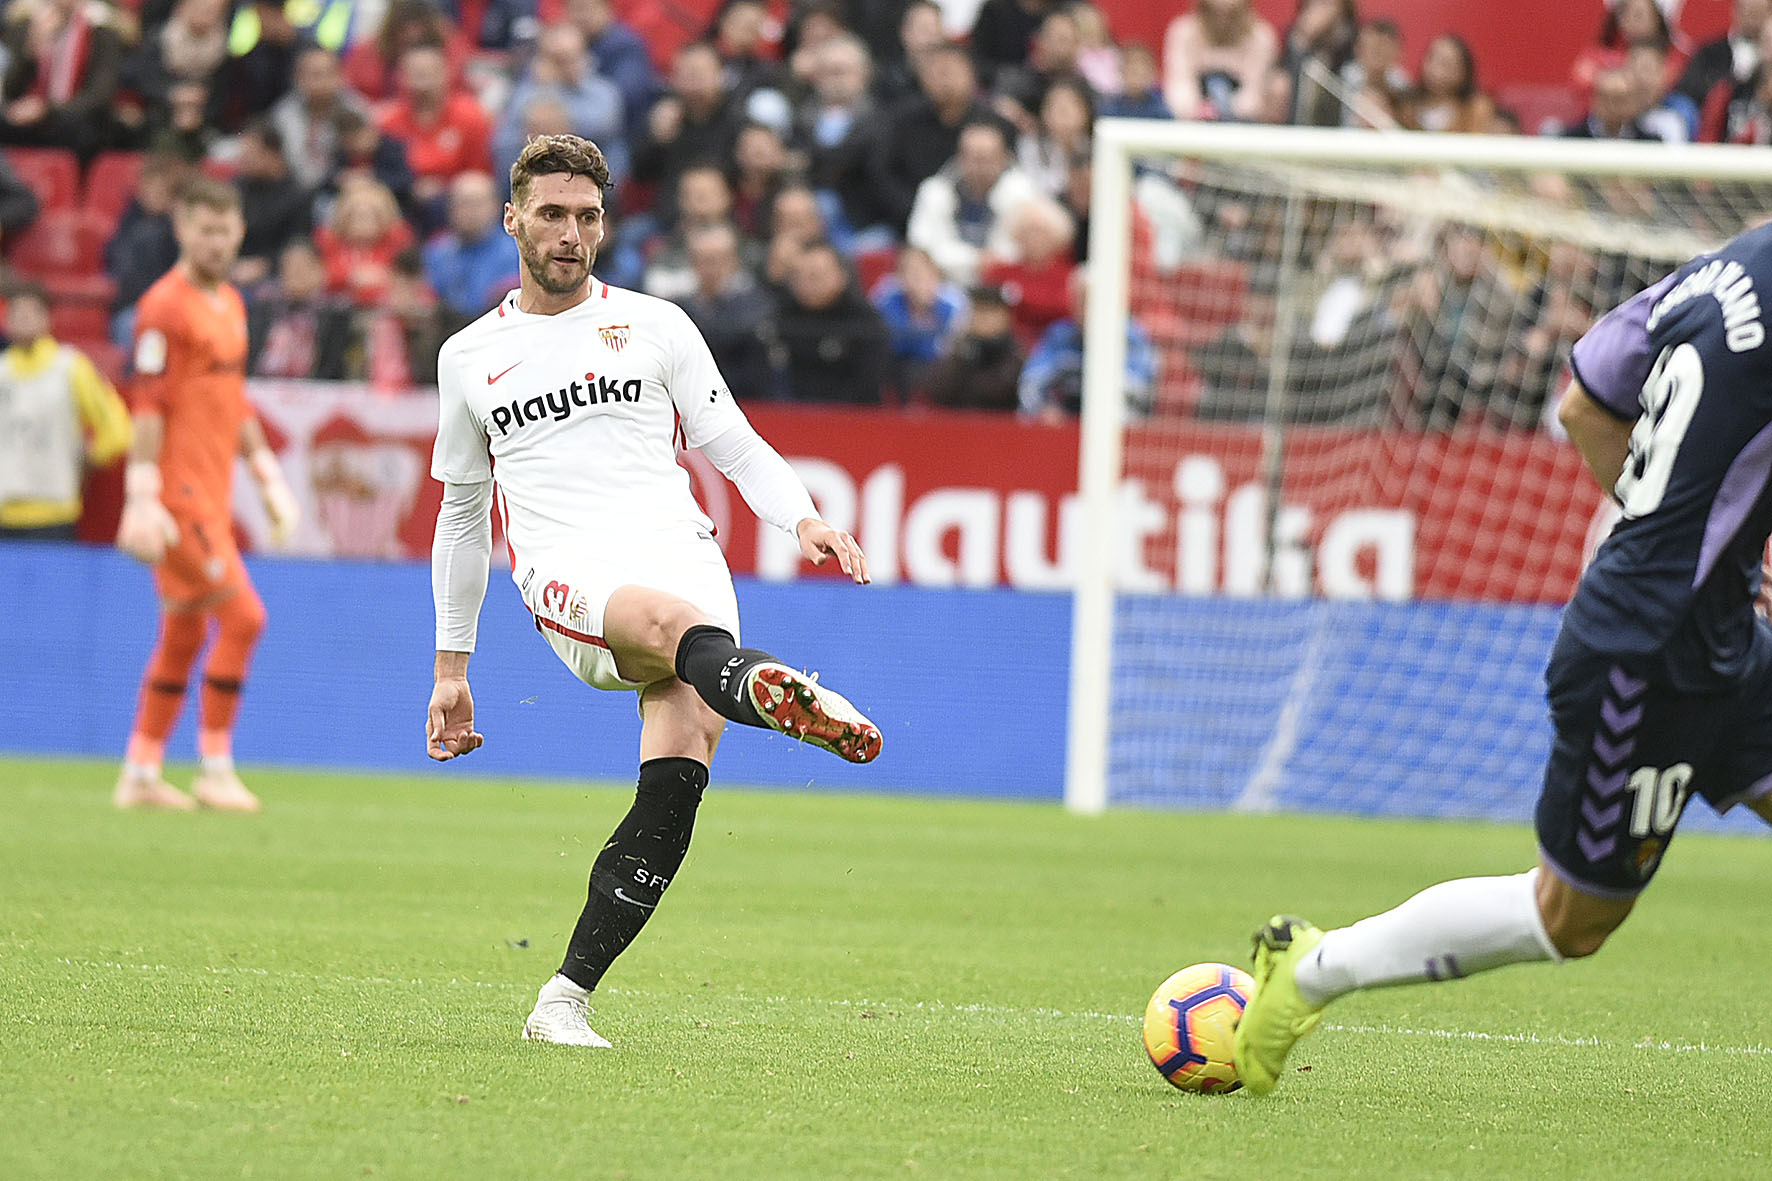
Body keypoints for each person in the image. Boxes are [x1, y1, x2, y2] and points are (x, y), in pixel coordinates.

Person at [1232, 219, 1772, 1096]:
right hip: (1645, 654)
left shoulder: (1728, 267)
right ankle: (1312, 968)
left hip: (1703, 623)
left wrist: (1679, 539)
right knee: (1571, 918)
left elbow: (1584, 406)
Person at [425, 135, 882, 1048]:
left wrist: (804, 520)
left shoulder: (658, 324)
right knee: (673, 628)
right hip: (567, 568)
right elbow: (463, 518)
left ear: (605, 225)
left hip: (679, 544)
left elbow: (735, 443)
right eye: (551, 214)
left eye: (587, 216)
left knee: (676, 774)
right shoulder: (470, 357)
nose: (570, 232)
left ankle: (564, 997)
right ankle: (778, 694)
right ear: (513, 220)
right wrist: (451, 669)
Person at [114, 176, 301, 813]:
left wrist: (268, 477)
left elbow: (232, 398)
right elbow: (147, 407)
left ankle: (140, 772)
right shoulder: (164, 308)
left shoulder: (230, 302)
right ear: (182, 229)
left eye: (225, 230)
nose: (215, 241)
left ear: (240, 232)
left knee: (184, 634)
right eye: (204, 229)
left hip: (213, 492)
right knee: (246, 618)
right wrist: (141, 497)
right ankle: (214, 764)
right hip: (177, 500)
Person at [0, 281, 132, 540]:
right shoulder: (2, 372)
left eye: (32, 312)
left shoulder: (71, 368)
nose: (24, 319)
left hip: (55, 512)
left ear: (47, 319)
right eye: (17, 313)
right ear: (7, 320)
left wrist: (89, 460)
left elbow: (118, 430)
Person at [1161, 0, 1281, 122]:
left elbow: (1254, 93)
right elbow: (1180, 84)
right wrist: (1197, 111)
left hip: (1246, 122)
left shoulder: (1261, 36)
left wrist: (1226, 111)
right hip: (1192, 121)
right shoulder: (1183, 31)